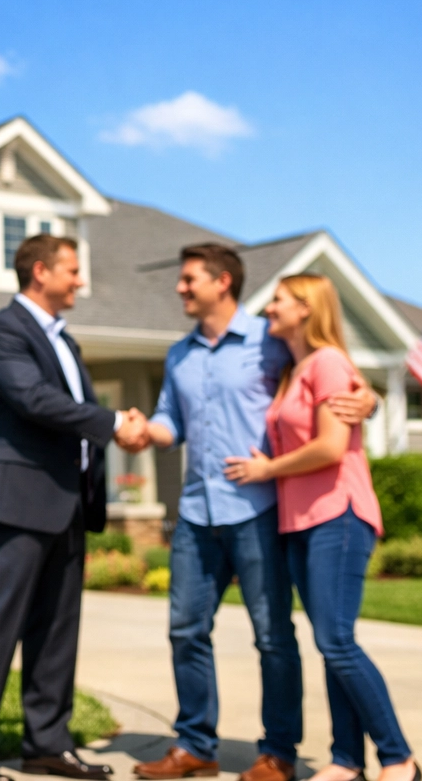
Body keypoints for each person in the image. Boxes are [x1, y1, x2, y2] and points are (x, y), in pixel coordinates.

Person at [129, 245, 375, 781]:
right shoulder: (180, 355)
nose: (180, 288)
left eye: (189, 279)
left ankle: (278, 752)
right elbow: (173, 420)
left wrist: (369, 395)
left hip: (258, 510)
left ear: (222, 282)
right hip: (197, 511)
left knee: (272, 636)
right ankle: (195, 745)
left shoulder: (272, 340)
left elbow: (330, 369)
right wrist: (147, 432)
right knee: (186, 628)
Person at [0, 234, 150, 781]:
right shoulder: (3, 330)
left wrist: (113, 428)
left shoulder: (65, 342)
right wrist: (111, 424)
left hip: (68, 502)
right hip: (19, 499)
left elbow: (67, 408)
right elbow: (34, 400)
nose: (80, 280)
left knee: (57, 627)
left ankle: (47, 742)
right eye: (72, 270)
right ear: (39, 272)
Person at [224, 274, 419, 781]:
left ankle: (399, 758)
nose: (270, 309)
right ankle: (346, 761)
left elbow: (332, 447)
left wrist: (267, 469)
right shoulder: (296, 369)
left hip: (340, 514)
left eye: (280, 301)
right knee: (333, 642)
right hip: (301, 523)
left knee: (336, 641)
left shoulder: (329, 361)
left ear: (307, 308)